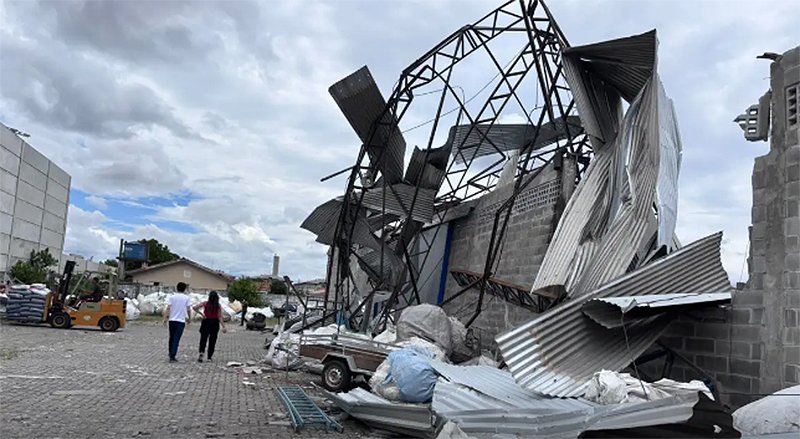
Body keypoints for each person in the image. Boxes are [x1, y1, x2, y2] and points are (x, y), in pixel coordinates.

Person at [192, 291, 227, 362]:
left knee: (203, 338)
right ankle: (209, 357)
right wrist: (223, 326)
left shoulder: (205, 303)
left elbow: (195, 307)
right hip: (214, 323)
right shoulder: (218, 305)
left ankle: (201, 352)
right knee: (212, 340)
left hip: (206, 321)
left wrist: (202, 314)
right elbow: (219, 316)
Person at [162, 282, 192, 363]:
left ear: (177, 288)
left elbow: (168, 308)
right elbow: (188, 309)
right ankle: (173, 355)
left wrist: (165, 319)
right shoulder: (186, 298)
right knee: (176, 338)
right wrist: (189, 318)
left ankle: (170, 352)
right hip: (181, 321)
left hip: (172, 320)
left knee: (171, 337)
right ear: (185, 289)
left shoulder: (172, 297)